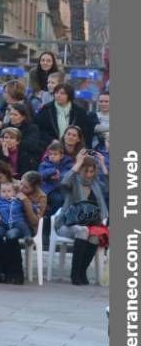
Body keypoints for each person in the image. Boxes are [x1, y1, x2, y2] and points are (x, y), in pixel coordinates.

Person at [56, 151, 109, 285]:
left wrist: (103, 165)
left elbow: (110, 189)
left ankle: (82, 272)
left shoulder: (95, 184)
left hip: (89, 223)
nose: (88, 175)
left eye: (91, 171)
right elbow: (63, 183)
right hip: (67, 224)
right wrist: (78, 162)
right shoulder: (73, 181)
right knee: (83, 230)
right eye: (86, 171)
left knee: (95, 236)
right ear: (80, 170)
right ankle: (75, 274)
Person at [35, 82, 93, 150]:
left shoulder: (79, 111)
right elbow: (39, 130)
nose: (58, 95)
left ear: (69, 96)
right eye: (56, 93)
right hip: (50, 148)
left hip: (74, 148)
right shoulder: (46, 109)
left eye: (62, 93)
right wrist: (51, 140)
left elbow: (85, 132)